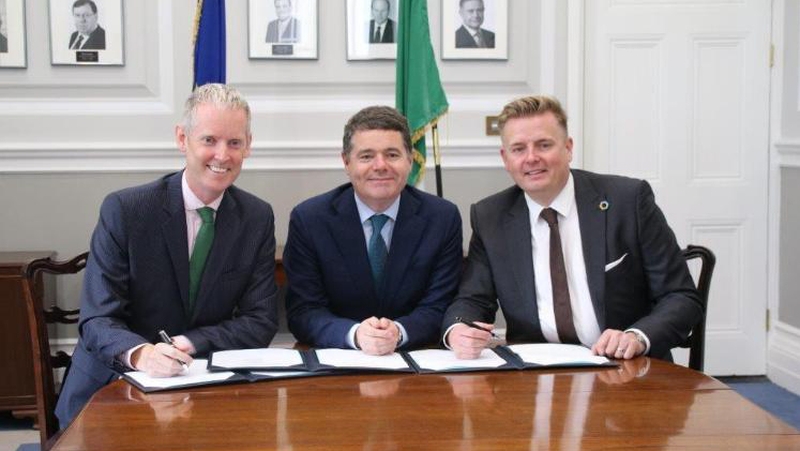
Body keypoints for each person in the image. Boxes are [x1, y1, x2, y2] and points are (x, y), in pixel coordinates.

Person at [55, 84, 279, 427]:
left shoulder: (256, 217)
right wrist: (143, 354)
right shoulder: (127, 210)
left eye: (234, 142)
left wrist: (189, 343)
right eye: (209, 140)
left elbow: (260, 321)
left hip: (205, 388)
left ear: (248, 145)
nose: (222, 155)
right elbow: (98, 320)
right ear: (181, 138)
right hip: (113, 389)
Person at [442, 95, 702, 361]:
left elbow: (680, 297)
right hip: (535, 372)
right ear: (505, 158)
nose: (531, 158)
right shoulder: (491, 216)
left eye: (544, 145)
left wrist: (636, 336)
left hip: (624, 366)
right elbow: (472, 300)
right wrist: (458, 330)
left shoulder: (628, 200)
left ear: (568, 148)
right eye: (518, 149)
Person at [284, 106, 462, 355]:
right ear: (346, 162)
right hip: (339, 365)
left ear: (410, 160)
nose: (380, 166)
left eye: (392, 154)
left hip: (417, 363)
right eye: (366, 156)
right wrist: (355, 335)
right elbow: (304, 312)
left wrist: (398, 332)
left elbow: (441, 305)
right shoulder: (310, 220)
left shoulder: (442, 218)